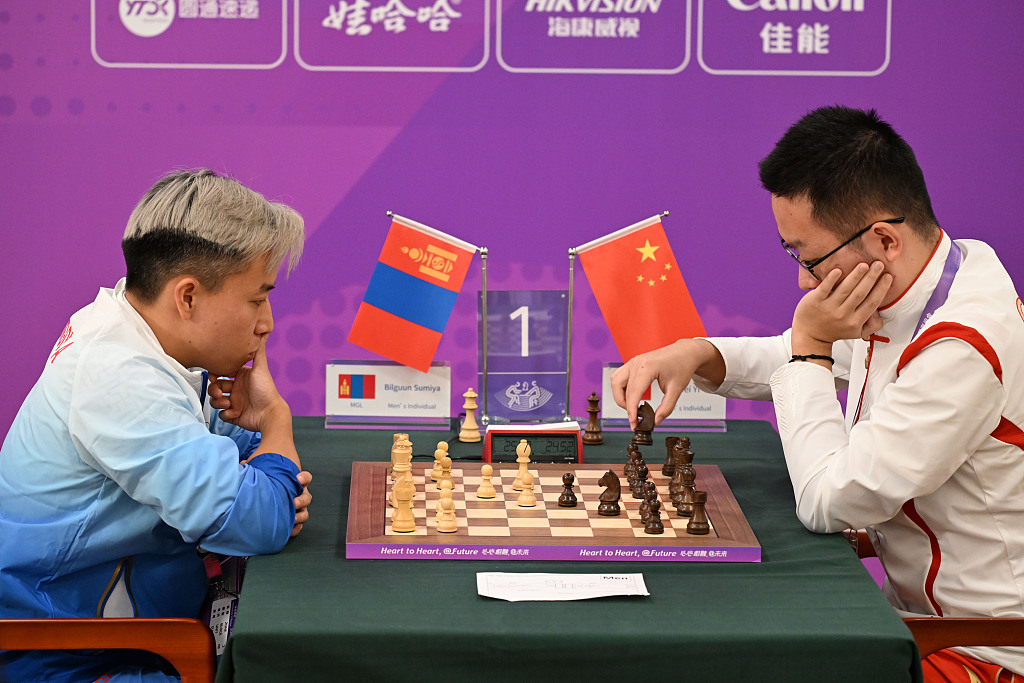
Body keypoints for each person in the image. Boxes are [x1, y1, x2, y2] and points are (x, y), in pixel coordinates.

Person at [612, 106, 1024, 681]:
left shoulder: (963, 345)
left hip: (978, 647)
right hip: (908, 620)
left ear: (883, 239)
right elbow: (799, 354)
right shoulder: (929, 283)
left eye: (807, 257)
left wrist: (810, 344)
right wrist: (700, 351)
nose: (803, 281)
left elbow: (830, 502)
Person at [0, 169, 313, 682]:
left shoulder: (135, 330)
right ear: (186, 297)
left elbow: (258, 477)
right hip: (64, 655)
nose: (268, 323)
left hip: (131, 631)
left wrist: (262, 462)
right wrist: (277, 421)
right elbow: (261, 519)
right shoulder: (119, 376)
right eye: (257, 298)